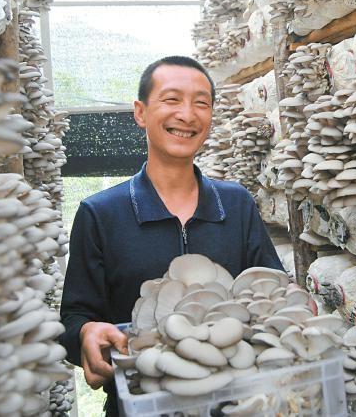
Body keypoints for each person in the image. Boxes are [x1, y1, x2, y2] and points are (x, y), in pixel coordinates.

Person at [59, 55, 285, 416]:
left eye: (201, 103)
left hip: (235, 404)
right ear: (140, 112)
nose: (187, 114)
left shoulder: (237, 204)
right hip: (139, 404)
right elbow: (74, 317)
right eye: (171, 99)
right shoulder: (100, 213)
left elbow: (273, 290)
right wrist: (85, 333)